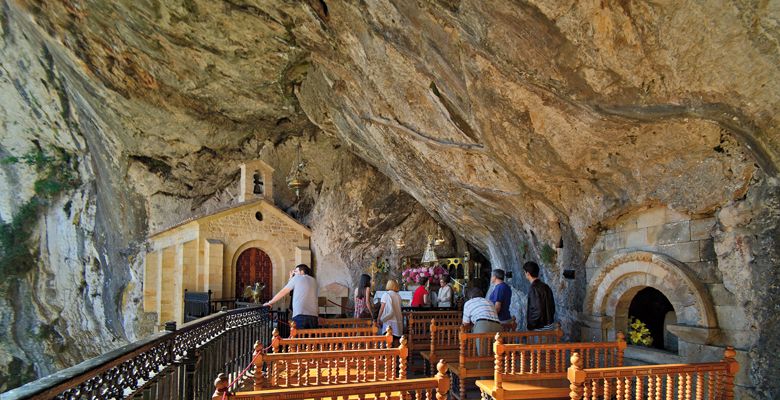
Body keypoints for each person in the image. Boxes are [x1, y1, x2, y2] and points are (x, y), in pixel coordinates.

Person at [263, 264, 319, 329]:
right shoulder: (314, 280)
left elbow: (283, 291)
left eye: (296, 271)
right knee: (311, 339)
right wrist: (291, 278)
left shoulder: (297, 278)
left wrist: (270, 302)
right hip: (314, 316)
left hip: (300, 315)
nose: (294, 273)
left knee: (299, 338)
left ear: (302, 271)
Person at [462, 286, 501, 355]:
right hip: (498, 326)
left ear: (470, 296)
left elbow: (465, 324)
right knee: (496, 354)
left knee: (483, 354)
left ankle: (483, 365)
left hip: (482, 326)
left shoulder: (469, 303)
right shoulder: (489, 301)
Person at [523, 261, 556, 331]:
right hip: (550, 325)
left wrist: (531, 326)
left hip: (539, 328)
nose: (524, 274)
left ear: (528, 273)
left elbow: (537, 310)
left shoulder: (533, 288)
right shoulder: (546, 286)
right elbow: (552, 306)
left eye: (524, 272)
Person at [377, 279, 403, 345]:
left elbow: (382, 308)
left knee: (388, 340)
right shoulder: (398, 296)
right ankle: (396, 354)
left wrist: (378, 318)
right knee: (396, 339)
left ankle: (388, 354)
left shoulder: (386, 295)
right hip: (398, 320)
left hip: (389, 320)